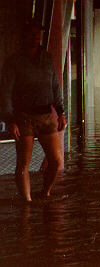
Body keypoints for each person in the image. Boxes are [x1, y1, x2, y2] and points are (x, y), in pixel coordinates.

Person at [0, 18, 65, 203]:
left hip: (46, 115)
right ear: (23, 36)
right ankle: (27, 204)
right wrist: (10, 120)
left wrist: (60, 112)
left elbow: (55, 87)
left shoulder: (47, 58)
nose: (36, 36)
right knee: (23, 164)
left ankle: (45, 193)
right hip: (23, 117)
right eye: (31, 33)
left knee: (56, 161)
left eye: (38, 33)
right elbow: (5, 93)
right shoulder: (14, 61)